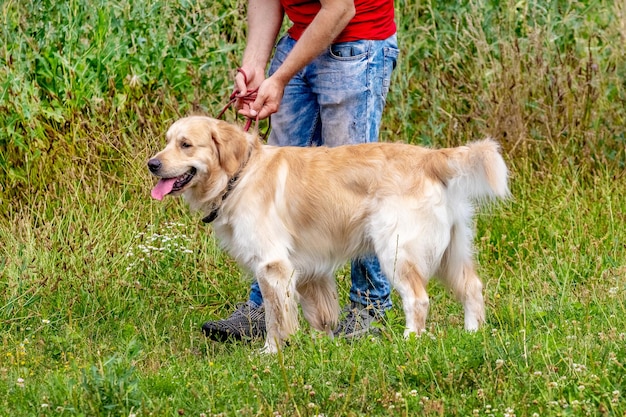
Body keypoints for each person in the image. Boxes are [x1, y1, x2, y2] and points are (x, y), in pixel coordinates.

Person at [202, 0, 399, 341]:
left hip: (357, 42)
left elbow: (339, 9)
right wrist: (255, 66)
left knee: (354, 184)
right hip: (300, 37)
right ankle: (267, 307)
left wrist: (279, 78)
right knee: (274, 180)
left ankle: (369, 308)